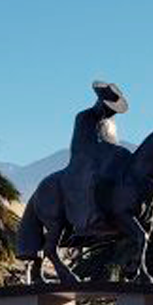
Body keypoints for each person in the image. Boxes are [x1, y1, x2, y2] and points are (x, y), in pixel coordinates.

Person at [63, 81, 132, 235]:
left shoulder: (111, 123)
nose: (112, 113)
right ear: (101, 103)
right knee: (98, 180)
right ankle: (95, 218)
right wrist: (111, 150)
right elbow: (83, 146)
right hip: (86, 163)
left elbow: (113, 143)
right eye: (110, 109)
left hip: (107, 163)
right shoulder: (84, 117)